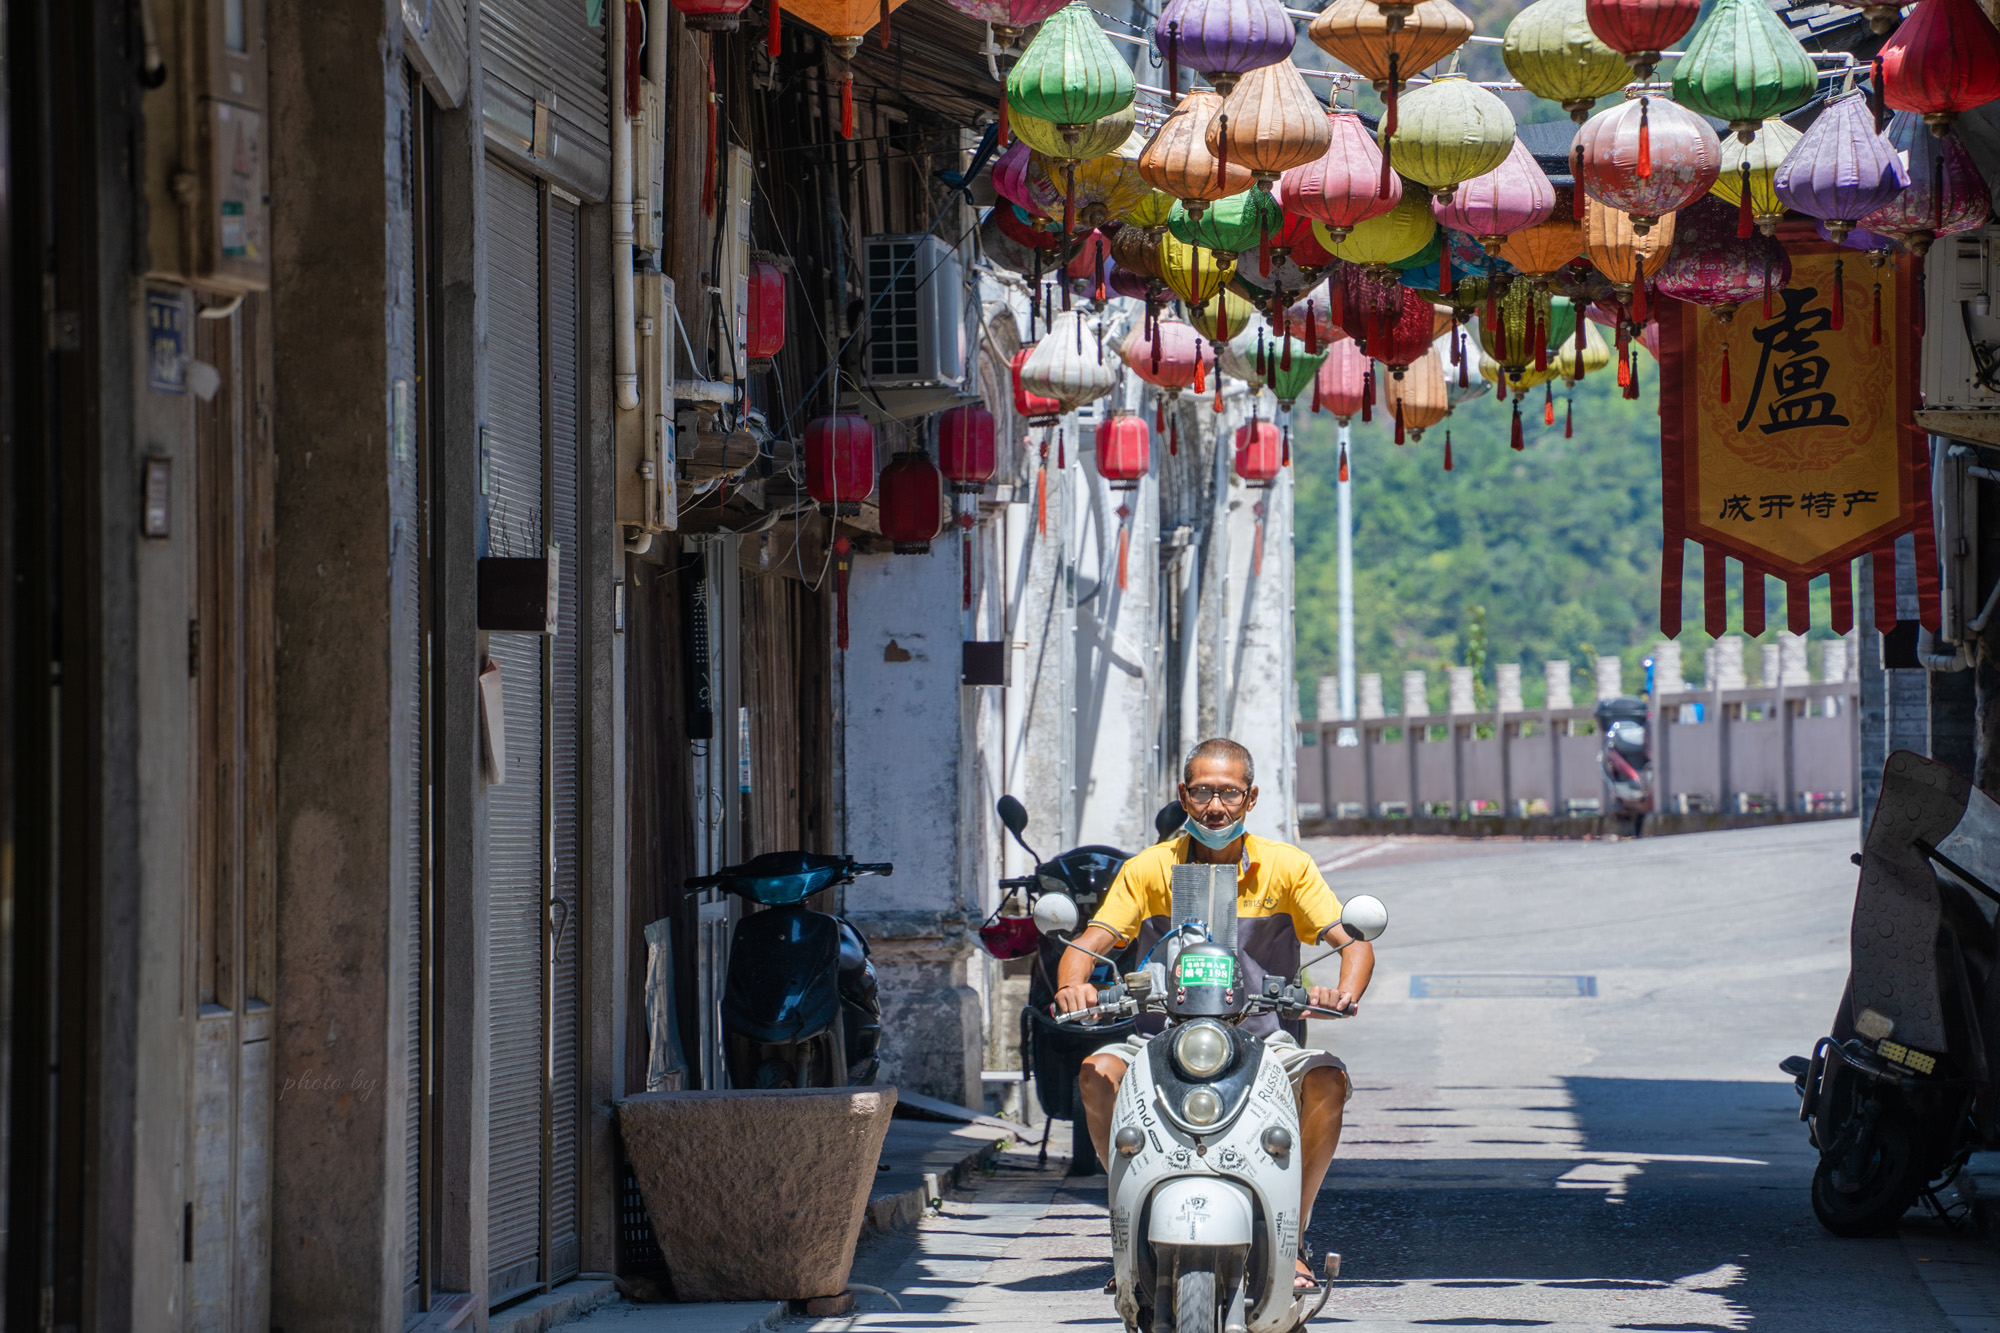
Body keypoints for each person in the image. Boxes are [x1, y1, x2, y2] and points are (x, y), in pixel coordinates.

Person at [1054, 736, 1376, 1292]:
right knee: (1096, 1073)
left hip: (1261, 1037)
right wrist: (1072, 986)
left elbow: (1352, 942)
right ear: (1184, 795)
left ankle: (1291, 1235)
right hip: (1161, 1038)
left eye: (1228, 793)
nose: (1215, 807)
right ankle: (1130, 1229)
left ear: (1250, 799)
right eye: (1202, 792)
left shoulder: (1286, 867)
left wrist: (1341, 993)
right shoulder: (1148, 869)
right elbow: (1092, 940)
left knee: (1327, 1079)